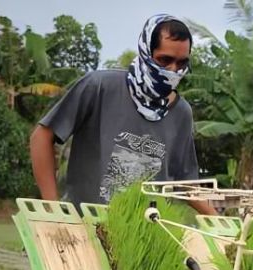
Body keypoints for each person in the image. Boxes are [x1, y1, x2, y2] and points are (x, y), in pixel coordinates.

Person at [29, 13, 215, 214]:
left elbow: (186, 181)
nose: (173, 70)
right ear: (146, 52)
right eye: (164, 60)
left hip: (143, 234)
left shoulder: (181, 114)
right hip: (85, 228)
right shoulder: (99, 87)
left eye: (181, 63)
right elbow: (42, 137)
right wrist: (52, 210)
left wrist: (226, 226)